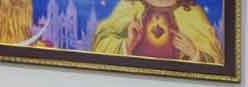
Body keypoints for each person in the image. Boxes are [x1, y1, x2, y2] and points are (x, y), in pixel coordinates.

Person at [92, 0, 223, 64]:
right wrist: (127, 45)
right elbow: (100, 46)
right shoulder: (131, 5)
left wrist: (195, 54)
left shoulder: (191, 13)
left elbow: (217, 61)